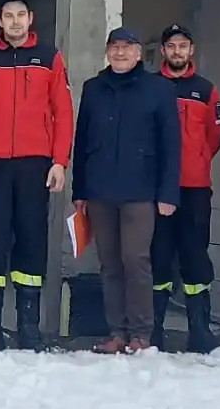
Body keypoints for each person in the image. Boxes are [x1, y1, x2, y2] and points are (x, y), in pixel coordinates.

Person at [0, 0, 71, 351]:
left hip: (35, 164)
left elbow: (64, 112)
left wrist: (59, 161)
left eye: (21, 14)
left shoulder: (49, 57)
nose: (15, 22)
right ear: (0, 21)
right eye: (8, 15)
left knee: (32, 242)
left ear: (30, 19)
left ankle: (29, 327)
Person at [72, 28, 180, 353]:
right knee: (109, 263)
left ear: (138, 53)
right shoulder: (93, 88)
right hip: (100, 190)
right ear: (107, 52)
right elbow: (82, 141)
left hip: (140, 190)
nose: (120, 53)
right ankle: (117, 332)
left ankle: (141, 334)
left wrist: (168, 193)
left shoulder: (159, 89)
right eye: (114, 47)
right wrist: (80, 190)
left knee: (136, 261)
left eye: (127, 47)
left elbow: (171, 145)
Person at [151, 23, 220, 353]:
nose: (177, 51)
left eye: (183, 46)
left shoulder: (206, 91)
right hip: (156, 189)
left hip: (194, 188)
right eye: (171, 46)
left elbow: (215, 137)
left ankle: (200, 329)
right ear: (163, 51)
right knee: (158, 257)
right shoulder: (150, 87)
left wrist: (197, 159)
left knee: (195, 257)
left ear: (191, 50)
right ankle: (153, 328)